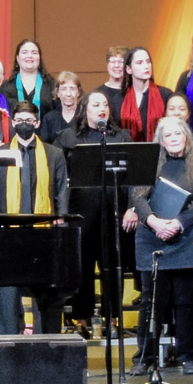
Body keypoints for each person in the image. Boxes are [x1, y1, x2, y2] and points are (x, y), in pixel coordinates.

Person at [126, 118, 193, 372]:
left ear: (186, 137)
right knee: (151, 303)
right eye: (169, 135)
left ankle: (187, 356)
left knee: (186, 301)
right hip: (152, 238)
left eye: (178, 134)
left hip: (186, 239)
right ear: (161, 141)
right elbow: (137, 196)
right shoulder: (148, 163)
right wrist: (154, 222)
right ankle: (145, 358)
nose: (174, 138)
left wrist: (177, 224)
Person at [0, 103, 70, 335]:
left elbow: (61, 193)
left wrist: (59, 224)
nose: (24, 124)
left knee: (45, 295)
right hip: (8, 236)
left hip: (43, 234)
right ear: (12, 122)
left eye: (29, 120)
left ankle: (46, 343)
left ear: (37, 123)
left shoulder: (54, 154)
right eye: (20, 119)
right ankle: (7, 343)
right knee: (8, 295)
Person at [61, 92, 127, 333]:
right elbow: (61, 178)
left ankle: (112, 319)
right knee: (83, 267)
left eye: (105, 104)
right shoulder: (68, 138)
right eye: (96, 104)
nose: (102, 108)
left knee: (112, 266)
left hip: (113, 212)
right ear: (85, 109)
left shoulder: (120, 137)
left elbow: (131, 177)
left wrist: (130, 209)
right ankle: (82, 318)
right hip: (80, 212)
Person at [114, 48, 165, 144]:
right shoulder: (119, 99)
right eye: (139, 62)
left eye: (148, 62)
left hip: (160, 152)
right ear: (129, 69)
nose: (146, 66)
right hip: (129, 152)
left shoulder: (164, 95)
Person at [8, 40, 52, 116]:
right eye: (24, 52)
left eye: (34, 53)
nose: (29, 56)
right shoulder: (6, 87)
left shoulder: (52, 86)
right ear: (17, 58)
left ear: (39, 58)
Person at [41, 71, 83, 145]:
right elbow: (45, 146)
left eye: (72, 89)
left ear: (78, 92)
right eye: (64, 89)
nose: (68, 94)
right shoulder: (49, 118)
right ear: (57, 93)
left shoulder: (85, 116)